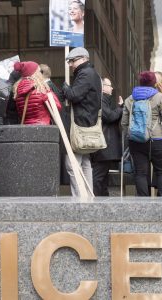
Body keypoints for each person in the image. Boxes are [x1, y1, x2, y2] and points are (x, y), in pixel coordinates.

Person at [121, 71, 162, 196]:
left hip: (136, 141)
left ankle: (143, 204)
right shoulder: (159, 97)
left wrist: (131, 135)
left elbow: (124, 123)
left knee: (140, 172)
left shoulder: (130, 98)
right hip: (157, 140)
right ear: (154, 82)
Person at [62, 47, 102, 196]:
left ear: (83, 59)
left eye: (72, 61)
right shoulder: (93, 74)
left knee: (72, 164)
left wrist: (65, 87)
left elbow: (74, 95)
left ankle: (79, 199)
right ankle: (88, 196)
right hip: (88, 123)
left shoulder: (85, 74)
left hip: (80, 125)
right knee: (85, 163)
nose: (71, 64)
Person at [91, 77, 123, 196]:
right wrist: (120, 108)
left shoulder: (105, 100)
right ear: (103, 87)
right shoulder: (100, 99)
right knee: (99, 175)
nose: (112, 88)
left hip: (105, 144)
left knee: (103, 175)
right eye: (110, 86)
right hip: (103, 144)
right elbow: (109, 116)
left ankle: (103, 197)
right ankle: (95, 200)